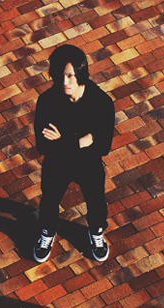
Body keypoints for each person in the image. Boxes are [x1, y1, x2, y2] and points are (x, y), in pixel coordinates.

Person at [33, 43, 115, 263]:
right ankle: (47, 232)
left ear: (80, 73)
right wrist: (83, 140)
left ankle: (96, 232)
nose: (64, 82)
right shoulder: (48, 102)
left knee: (96, 201)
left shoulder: (101, 103)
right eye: (60, 76)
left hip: (87, 163)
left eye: (70, 76)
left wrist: (62, 141)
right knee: (49, 200)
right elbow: (43, 145)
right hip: (57, 163)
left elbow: (103, 146)